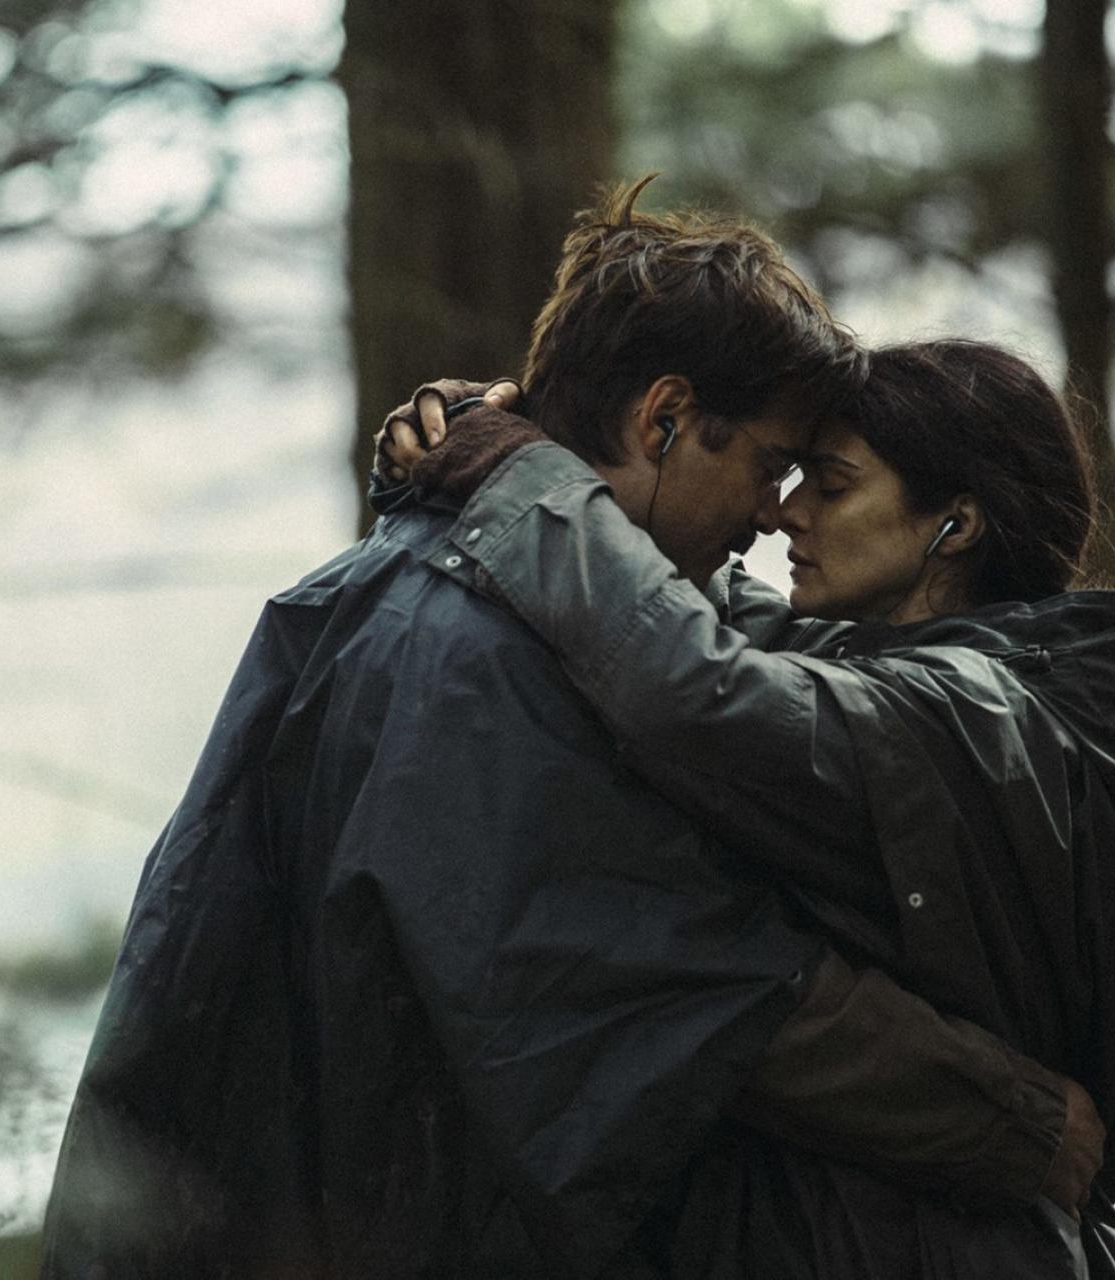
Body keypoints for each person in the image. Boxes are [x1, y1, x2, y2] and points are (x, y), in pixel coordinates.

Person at [41, 183, 1102, 1279]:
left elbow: (715, 673)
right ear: (662, 419)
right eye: (768, 464)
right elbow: (691, 982)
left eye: (813, 481)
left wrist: (498, 470)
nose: (769, 512)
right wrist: (1022, 1124)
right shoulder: (490, 652)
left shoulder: (427, 596)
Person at [379, 336, 1115, 1274]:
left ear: (956, 525)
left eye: (831, 487)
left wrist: (520, 477)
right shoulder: (878, 668)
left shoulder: (986, 715)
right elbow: (687, 605)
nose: (787, 512)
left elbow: (691, 685)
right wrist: (526, 446)